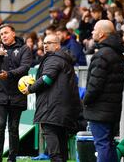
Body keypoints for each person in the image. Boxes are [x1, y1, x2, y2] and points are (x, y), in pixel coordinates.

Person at [22, 34, 81, 162]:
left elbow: (46, 79)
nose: (45, 45)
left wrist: (30, 89)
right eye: (44, 43)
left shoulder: (54, 59)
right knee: (61, 142)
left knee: (54, 147)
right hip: (62, 108)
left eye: (49, 43)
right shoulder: (64, 59)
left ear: (57, 45)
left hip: (52, 107)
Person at [83, 20, 124, 162]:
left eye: (94, 30)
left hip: (100, 109)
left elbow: (94, 86)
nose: (92, 32)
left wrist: (85, 101)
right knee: (108, 144)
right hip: (112, 108)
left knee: (102, 144)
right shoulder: (117, 54)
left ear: (101, 34)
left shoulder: (102, 54)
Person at [0, 24, 32, 162]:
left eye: (6, 33)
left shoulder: (24, 49)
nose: (4, 36)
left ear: (13, 33)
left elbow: (25, 68)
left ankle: (12, 158)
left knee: (13, 128)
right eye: (1, 34)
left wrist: (8, 74)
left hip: (17, 95)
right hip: (0, 94)